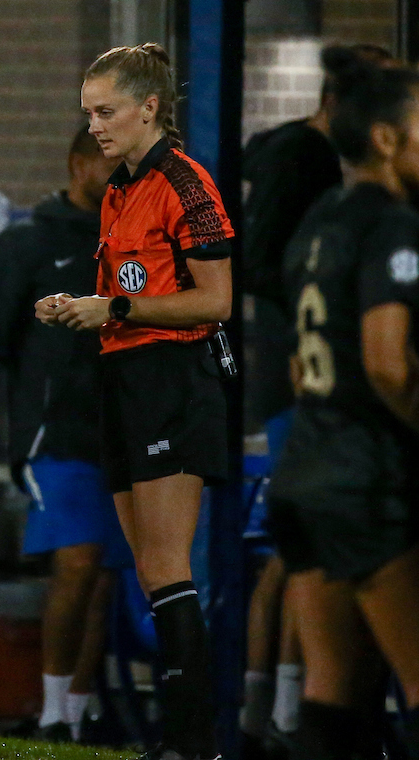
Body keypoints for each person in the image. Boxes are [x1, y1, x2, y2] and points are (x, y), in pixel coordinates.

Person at [39, 43, 234, 760]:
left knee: (168, 565)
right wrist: (84, 307)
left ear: (149, 108)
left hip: (174, 382)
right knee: (151, 568)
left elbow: (217, 301)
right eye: (88, 112)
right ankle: (183, 740)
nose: (93, 125)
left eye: (106, 110)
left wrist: (115, 307)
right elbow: (131, 290)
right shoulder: (120, 186)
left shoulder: (184, 182)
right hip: (125, 379)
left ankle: (195, 742)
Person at [238, 45, 392, 755]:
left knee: (300, 552)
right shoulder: (329, 187)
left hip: (310, 398)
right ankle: (274, 707)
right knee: (301, 555)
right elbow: (263, 260)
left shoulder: (329, 204)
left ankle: (286, 707)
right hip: (324, 404)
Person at [269, 64, 419, 760]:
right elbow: (388, 362)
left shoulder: (318, 222)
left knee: (334, 693)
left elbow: (301, 368)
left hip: (306, 472)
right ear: (388, 139)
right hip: (368, 480)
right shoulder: (392, 224)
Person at [0, 125, 127, 744]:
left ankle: (78, 711)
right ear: (78, 165)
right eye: (108, 166)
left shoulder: (132, 241)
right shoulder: (29, 241)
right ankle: (53, 712)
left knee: (105, 573)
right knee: (78, 564)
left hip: (121, 434)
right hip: (53, 436)